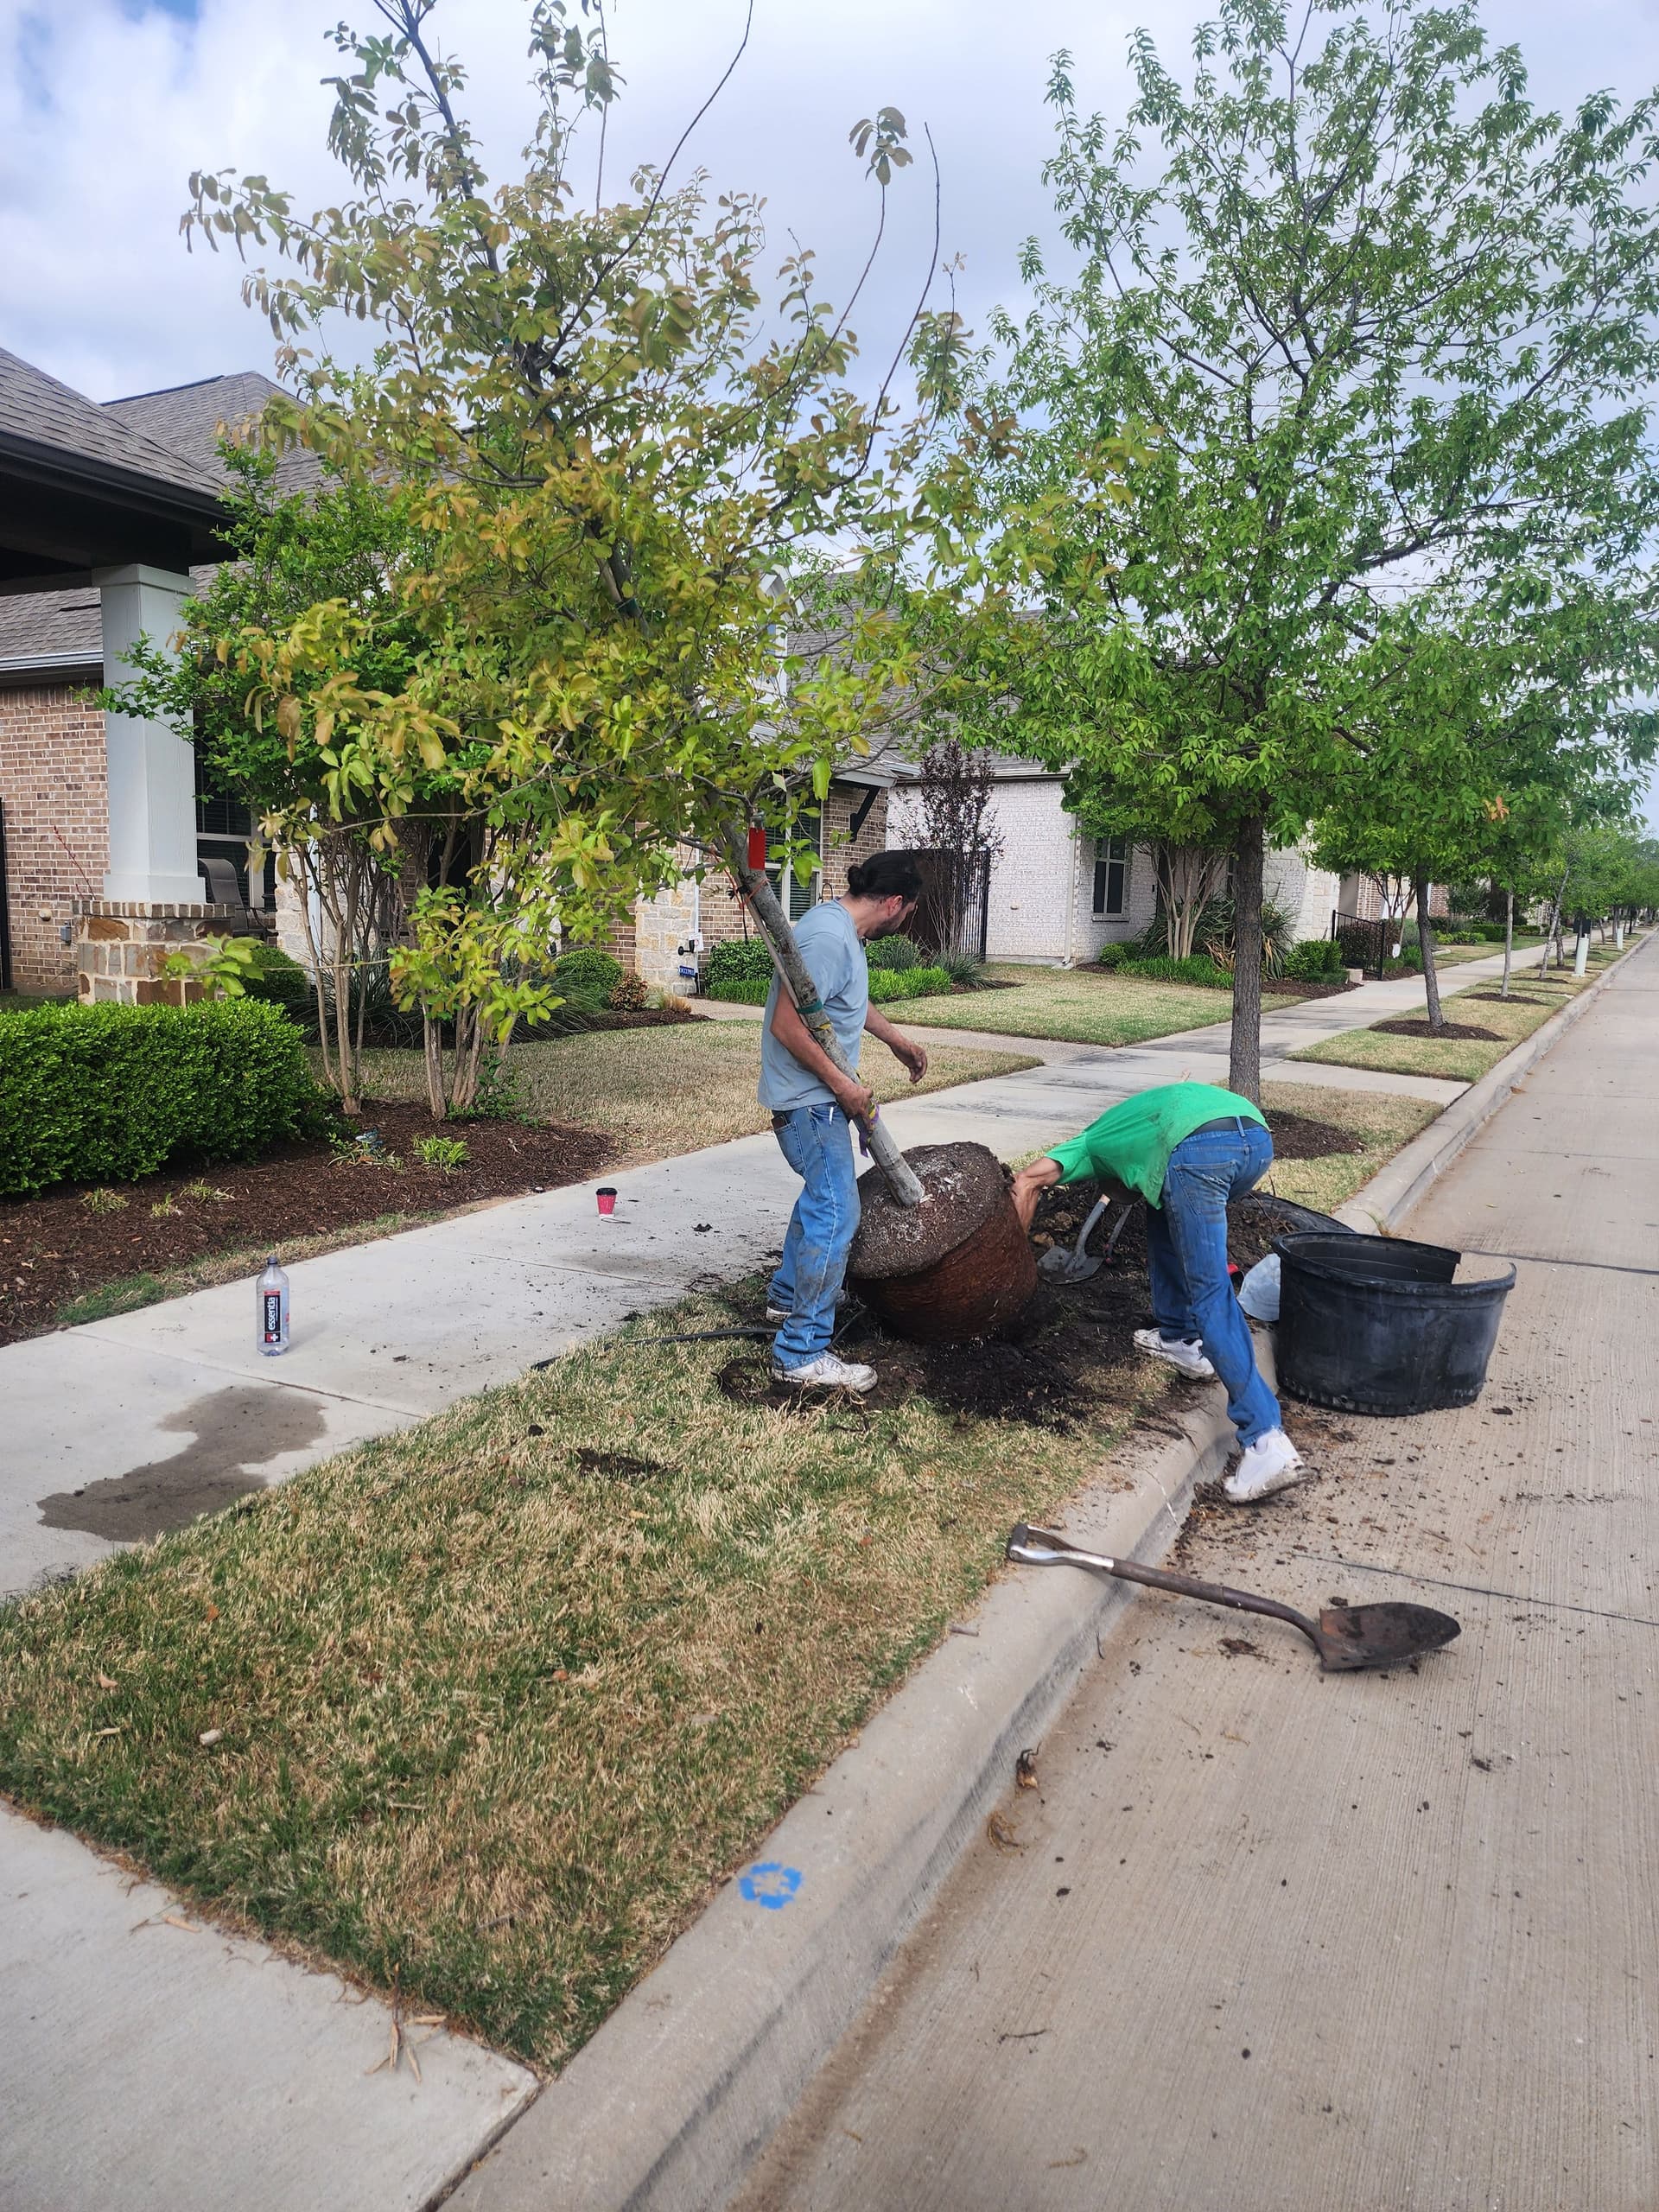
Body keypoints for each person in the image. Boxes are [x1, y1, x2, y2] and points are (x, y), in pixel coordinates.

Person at [1009, 1082, 1305, 1503]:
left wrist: (1013, 1262)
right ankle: (1179, 1337)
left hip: (1199, 1151)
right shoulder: (1137, 1126)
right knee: (1163, 1210)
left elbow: (1026, 1181)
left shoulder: (1092, 1144)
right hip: (1255, 1139)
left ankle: (1266, 1441)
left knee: (1210, 1292)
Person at [760, 851, 930, 1394]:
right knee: (836, 1207)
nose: (906, 922)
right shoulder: (828, 938)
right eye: (910, 913)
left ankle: (785, 1297)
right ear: (895, 903)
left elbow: (844, 1003)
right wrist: (843, 1087)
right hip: (810, 1104)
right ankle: (800, 1351)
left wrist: (898, 1041)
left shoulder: (842, 932)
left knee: (822, 1195)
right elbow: (788, 1025)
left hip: (818, 1100)